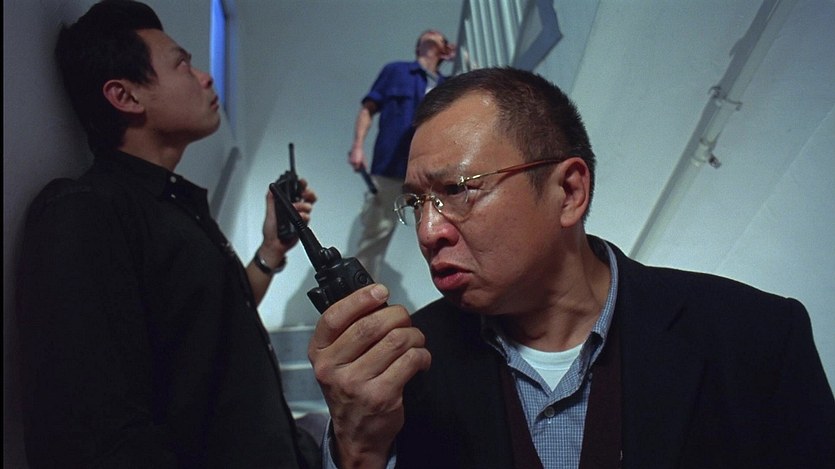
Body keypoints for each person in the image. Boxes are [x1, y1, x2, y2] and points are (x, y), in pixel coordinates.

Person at [309, 67, 835, 468]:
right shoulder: (405, 370)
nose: (429, 232)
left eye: (456, 190)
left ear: (569, 191)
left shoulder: (756, 339)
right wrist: (358, 451)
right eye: (416, 203)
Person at [16, 1, 320, 467]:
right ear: (126, 96)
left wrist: (270, 250)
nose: (205, 78)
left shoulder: (174, 207)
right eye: (182, 64)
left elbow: (213, 323)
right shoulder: (86, 213)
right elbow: (97, 437)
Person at [347, 29, 456, 279]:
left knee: (442, 230)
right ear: (418, 47)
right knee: (376, 234)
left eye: (439, 36)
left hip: (432, 173)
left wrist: (462, 57)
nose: (432, 34)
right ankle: (360, 294)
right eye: (427, 34)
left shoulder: (449, 85)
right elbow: (367, 109)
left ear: (444, 50)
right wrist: (357, 146)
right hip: (390, 167)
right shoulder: (396, 71)